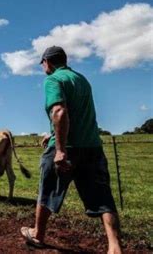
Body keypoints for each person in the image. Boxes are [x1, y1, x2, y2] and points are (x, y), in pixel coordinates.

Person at [20, 46, 122, 254]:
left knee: (47, 190)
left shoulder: (53, 80)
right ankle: (114, 247)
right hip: (92, 147)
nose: (43, 67)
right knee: (103, 198)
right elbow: (77, 114)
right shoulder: (82, 80)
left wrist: (59, 149)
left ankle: (38, 234)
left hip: (67, 149)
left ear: (47, 62)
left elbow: (59, 111)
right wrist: (52, 132)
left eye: (42, 63)